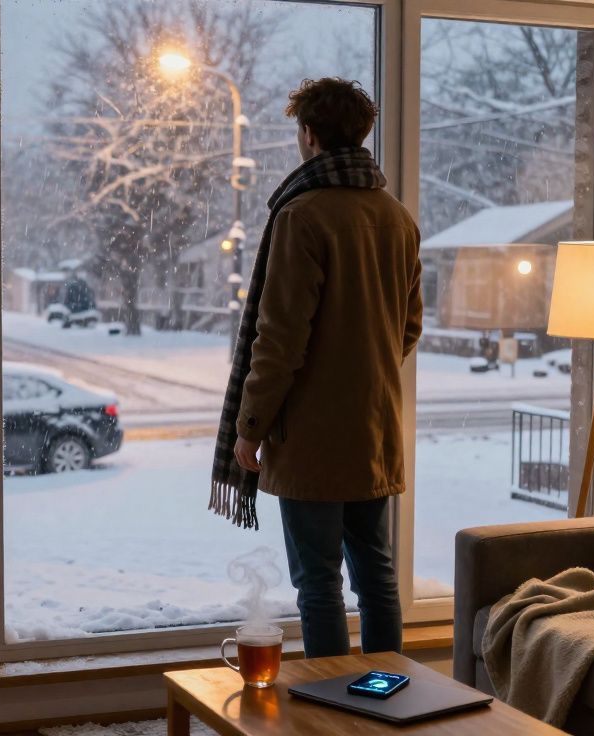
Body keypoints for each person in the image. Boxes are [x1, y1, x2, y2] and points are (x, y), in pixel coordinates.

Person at [211, 78, 423, 657]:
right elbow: (409, 326)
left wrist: (249, 428)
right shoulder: (396, 216)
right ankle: (387, 697)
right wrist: (363, 365)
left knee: (318, 582)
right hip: (374, 429)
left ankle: (330, 710)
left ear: (308, 135)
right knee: (377, 576)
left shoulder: (301, 215)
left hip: (309, 437)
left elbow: (278, 341)